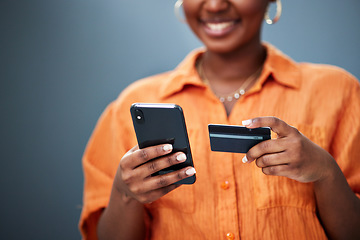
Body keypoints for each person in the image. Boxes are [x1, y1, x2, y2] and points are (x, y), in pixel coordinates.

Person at [79, 0, 360, 239]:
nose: (214, 5)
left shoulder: (338, 92)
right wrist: (125, 193)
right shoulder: (131, 104)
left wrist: (325, 171)